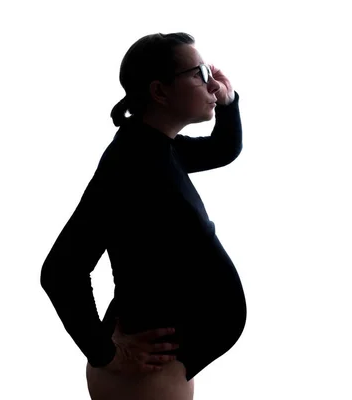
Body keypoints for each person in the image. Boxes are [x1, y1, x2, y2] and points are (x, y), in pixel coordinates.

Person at [40, 32, 246, 400]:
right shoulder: (131, 162)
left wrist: (229, 102)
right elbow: (60, 270)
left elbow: (223, 149)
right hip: (142, 372)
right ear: (160, 91)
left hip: (160, 367)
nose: (211, 83)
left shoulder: (159, 148)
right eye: (198, 73)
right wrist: (104, 353)